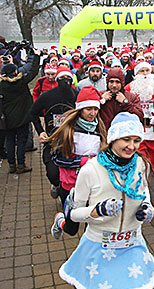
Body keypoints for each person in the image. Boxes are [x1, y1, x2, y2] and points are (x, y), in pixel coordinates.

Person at [58, 112, 154, 289]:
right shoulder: (91, 169)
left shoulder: (141, 164)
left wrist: (147, 209)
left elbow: (145, 194)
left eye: (136, 140)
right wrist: (95, 211)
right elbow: (74, 213)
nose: (131, 146)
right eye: (126, 139)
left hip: (132, 245)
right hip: (99, 247)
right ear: (113, 139)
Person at [48, 86, 107, 239]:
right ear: (80, 109)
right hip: (71, 185)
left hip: (92, 184)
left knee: (91, 226)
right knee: (71, 229)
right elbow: (57, 159)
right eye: (88, 109)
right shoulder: (68, 130)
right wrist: (83, 161)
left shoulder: (99, 128)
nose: (92, 113)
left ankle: (87, 254)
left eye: (95, 109)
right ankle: (60, 220)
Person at [30, 67, 79, 198]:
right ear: (57, 79)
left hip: (73, 139)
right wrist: (40, 131)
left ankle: (68, 194)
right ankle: (56, 184)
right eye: (62, 78)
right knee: (52, 171)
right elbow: (33, 113)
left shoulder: (76, 95)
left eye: (68, 78)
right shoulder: (47, 96)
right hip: (52, 139)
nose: (65, 81)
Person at [125, 61, 154, 173]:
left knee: (151, 161)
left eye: (147, 71)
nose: (145, 74)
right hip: (136, 130)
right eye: (142, 71)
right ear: (137, 74)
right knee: (138, 162)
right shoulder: (129, 88)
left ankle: (145, 183)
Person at [0, 48, 40, 174]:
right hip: (22, 117)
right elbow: (33, 71)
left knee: (10, 141)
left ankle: (12, 165)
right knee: (21, 142)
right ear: (15, 71)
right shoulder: (21, 82)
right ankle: (21, 165)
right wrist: (36, 56)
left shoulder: (1, 85)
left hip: (7, 119)